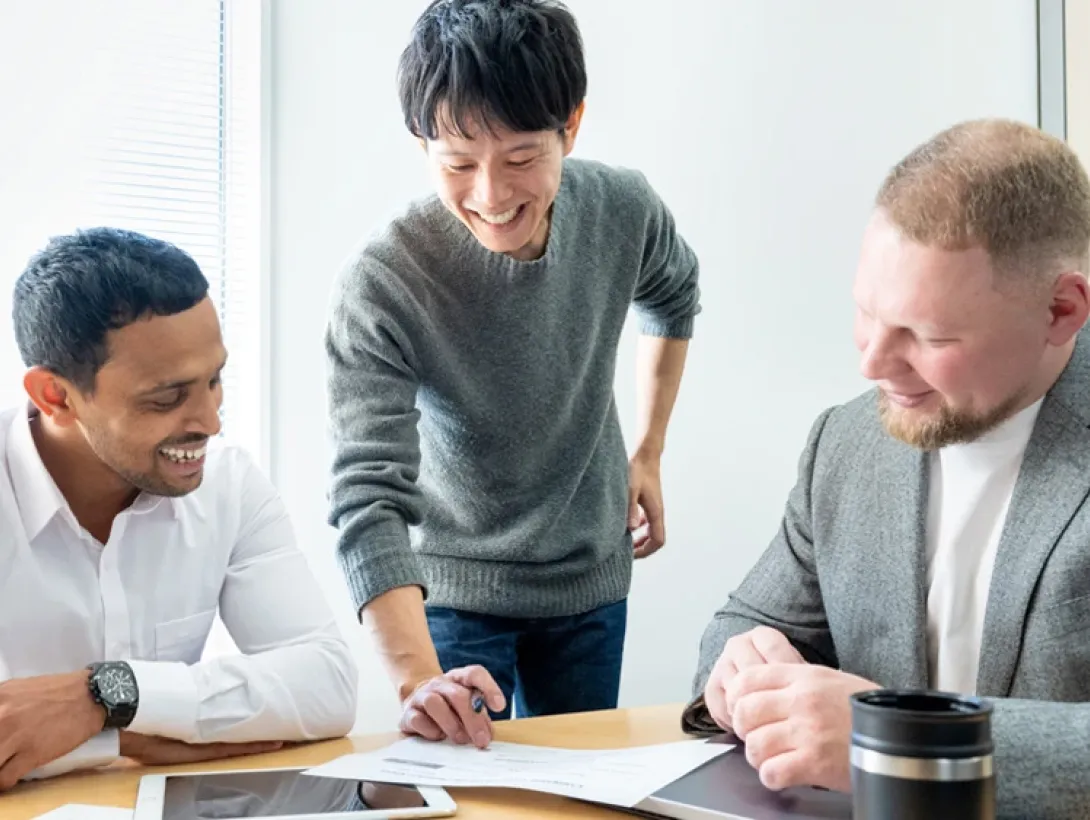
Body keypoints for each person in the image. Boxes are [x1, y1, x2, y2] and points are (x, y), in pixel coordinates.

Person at [686, 118, 1090, 820]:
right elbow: (742, 626)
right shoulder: (846, 443)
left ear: (1061, 310)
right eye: (866, 314)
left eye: (928, 336)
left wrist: (895, 740)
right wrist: (739, 670)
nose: (871, 363)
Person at [326, 0, 700, 749]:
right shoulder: (385, 280)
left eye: (523, 158)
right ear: (421, 141)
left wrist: (650, 451)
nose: (491, 197)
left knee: (582, 793)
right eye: (458, 164)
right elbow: (368, 499)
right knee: (466, 793)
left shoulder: (622, 209)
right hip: (456, 587)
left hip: (590, 575)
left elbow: (674, 294)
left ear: (573, 124)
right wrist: (415, 683)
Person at [0, 228, 358, 790]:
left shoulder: (229, 484)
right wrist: (132, 736)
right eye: (167, 398)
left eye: (214, 380)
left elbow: (326, 686)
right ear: (56, 397)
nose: (211, 421)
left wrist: (107, 696)